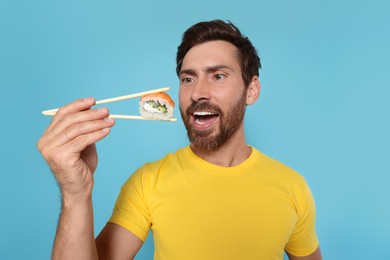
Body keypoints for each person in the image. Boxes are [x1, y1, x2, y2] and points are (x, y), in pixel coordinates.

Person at [37, 20, 322, 260]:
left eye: (218, 76)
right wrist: (75, 193)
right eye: (188, 79)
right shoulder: (148, 181)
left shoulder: (292, 186)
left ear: (252, 90)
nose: (197, 92)